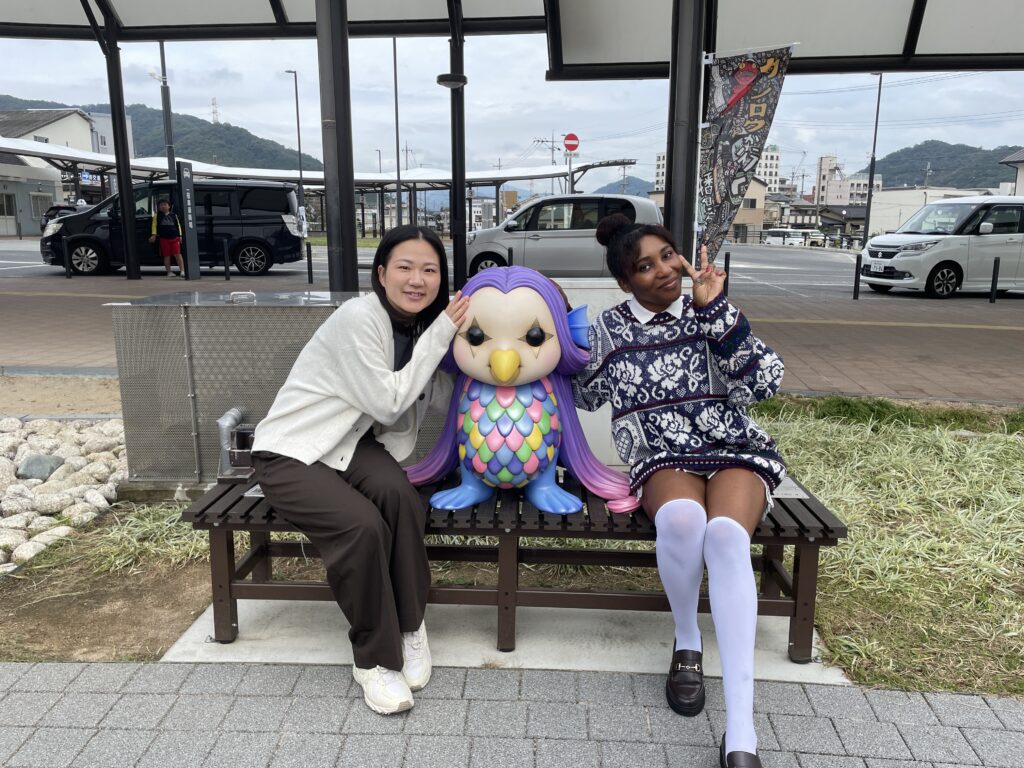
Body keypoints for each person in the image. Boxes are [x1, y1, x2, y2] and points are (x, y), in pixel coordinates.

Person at [573, 214, 786, 768]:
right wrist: (567, 343)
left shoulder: (709, 309)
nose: (665, 269)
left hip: (733, 447)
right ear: (625, 282)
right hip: (661, 452)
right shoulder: (611, 327)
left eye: (668, 254)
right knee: (684, 522)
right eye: (645, 265)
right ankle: (687, 640)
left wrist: (717, 311)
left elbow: (766, 381)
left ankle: (742, 733)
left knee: (724, 537)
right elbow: (585, 395)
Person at [250, 225, 469, 715]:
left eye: (430, 270)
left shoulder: (416, 328)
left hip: (350, 445)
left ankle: (411, 626)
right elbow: (389, 402)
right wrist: (441, 334)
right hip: (291, 451)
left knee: (400, 499)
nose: (418, 280)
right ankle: (373, 659)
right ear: (381, 274)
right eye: (405, 268)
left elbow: (436, 398)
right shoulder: (359, 318)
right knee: (361, 526)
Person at [149, 198, 185, 277]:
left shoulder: (174, 215)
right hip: (164, 239)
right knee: (167, 255)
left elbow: (178, 226)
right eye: (161, 205)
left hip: (175, 238)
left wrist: (180, 236)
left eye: (165, 205)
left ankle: (182, 270)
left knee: (178, 254)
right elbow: (154, 226)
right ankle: (169, 272)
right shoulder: (157, 215)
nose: (163, 206)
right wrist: (154, 235)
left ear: (169, 206)